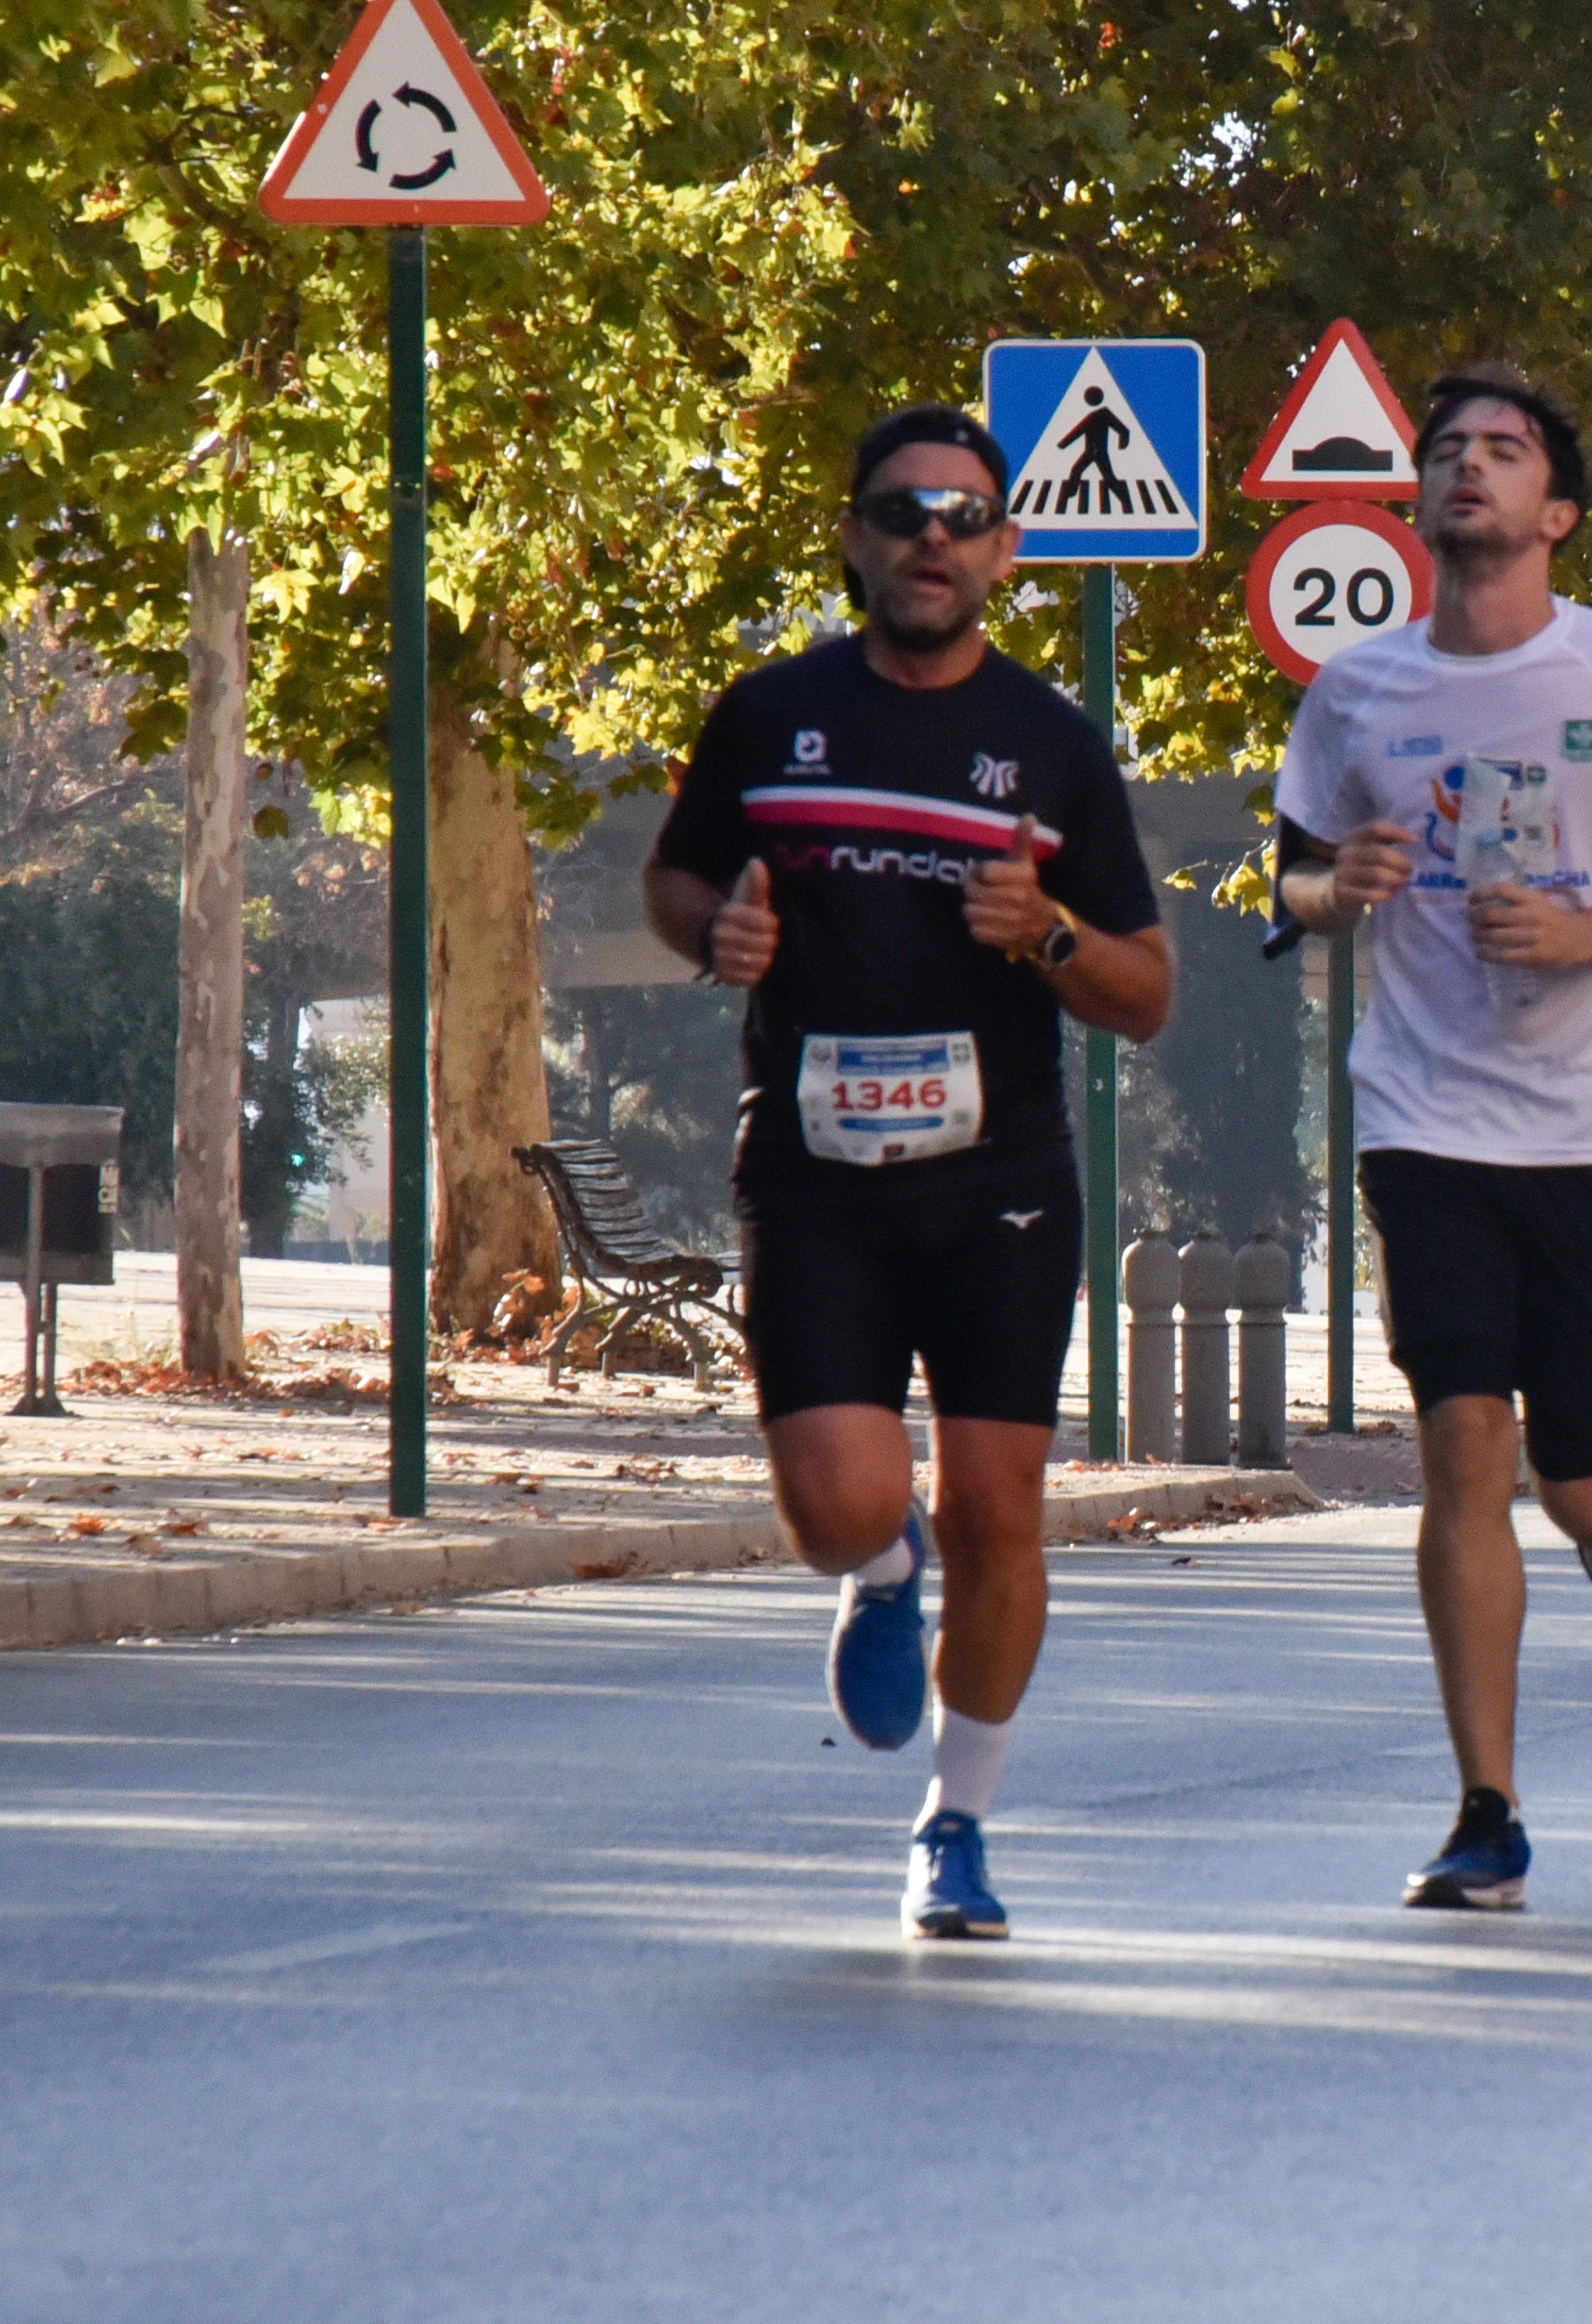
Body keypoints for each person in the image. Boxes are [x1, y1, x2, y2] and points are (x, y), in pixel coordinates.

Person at [645, 406, 1171, 1939]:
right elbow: (679, 874)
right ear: (857, 540)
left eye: (961, 514)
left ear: (1005, 550)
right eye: (900, 510)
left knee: (1003, 1503)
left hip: (998, 1174)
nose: (929, 535)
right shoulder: (766, 715)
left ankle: (957, 1823)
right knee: (834, 1495)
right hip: (811, 1167)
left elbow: (1145, 990)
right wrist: (713, 933)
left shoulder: (1056, 744)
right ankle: (878, 1571)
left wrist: (1049, 935)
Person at [1271, 368, 1592, 1909]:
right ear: (1419, 502)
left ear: (1555, 512)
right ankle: (1486, 1804)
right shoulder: (1357, 690)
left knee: (1582, 1472)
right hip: (1425, 1110)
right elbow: (1286, 881)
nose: (1464, 466)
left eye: (1502, 450)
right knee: (1464, 1441)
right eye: (1444, 450)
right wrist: (1332, 879)